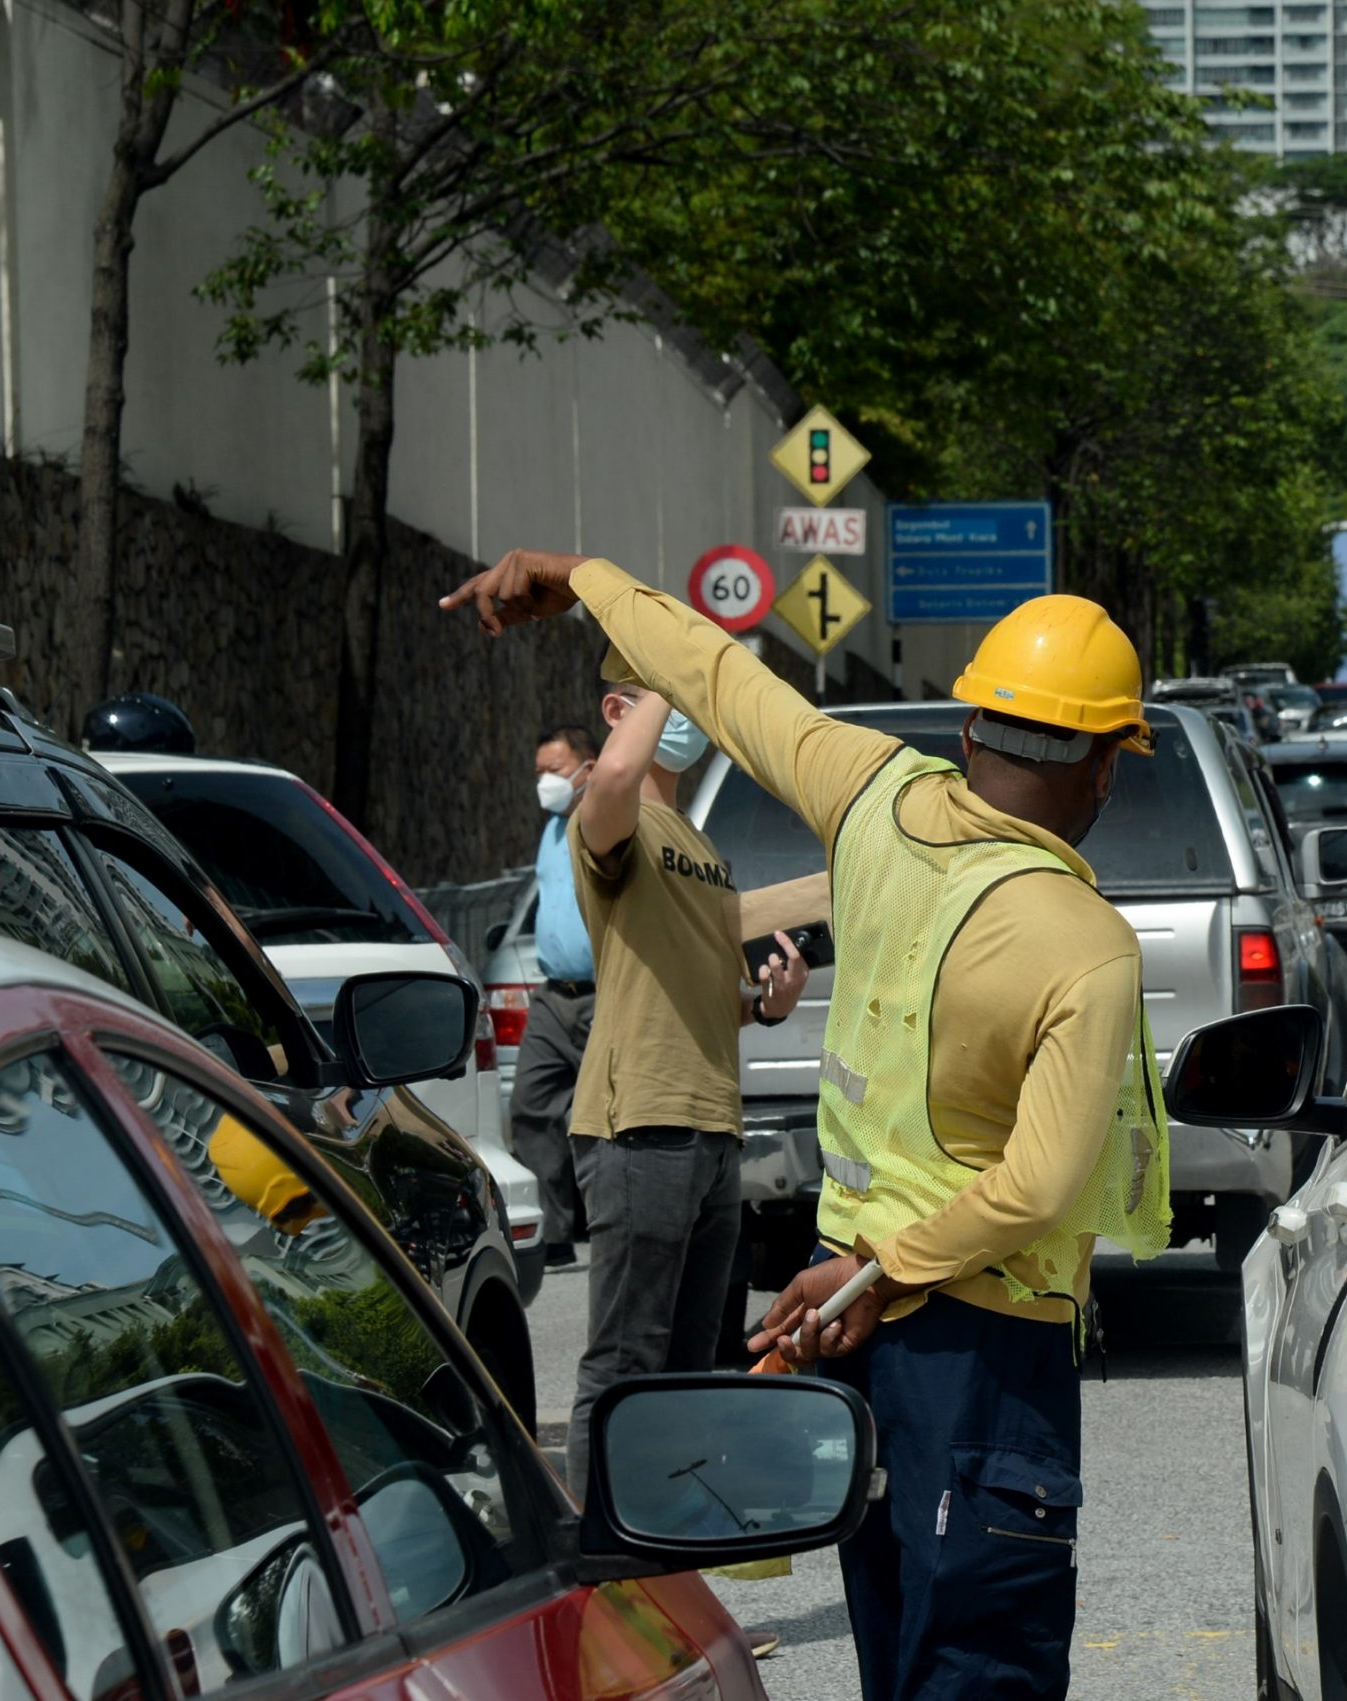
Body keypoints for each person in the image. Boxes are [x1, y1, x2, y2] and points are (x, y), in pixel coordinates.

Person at [442, 550, 1170, 1701]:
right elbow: (1035, 1187)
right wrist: (885, 1272)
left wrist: (582, 577)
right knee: (981, 1665)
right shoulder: (1083, 943)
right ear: (1102, 772)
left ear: (971, 727)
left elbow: (721, 678)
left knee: (892, 1650)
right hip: (982, 1354)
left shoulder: (871, 793)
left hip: (849, 1335)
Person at [561, 664, 808, 1491]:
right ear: (618, 709)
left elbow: (697, 990)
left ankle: (670, 1570)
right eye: (664, 697)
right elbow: (621, 770)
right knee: (627, 1361)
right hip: (642, 1119)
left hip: (711, 1124)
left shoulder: (698, 843)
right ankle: (603, 1569)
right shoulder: (609, 808)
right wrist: (667, 663)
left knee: (694, 1363)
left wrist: (765, 1005)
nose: (686, 716)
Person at [510, 723, 601, 1269]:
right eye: (540, 771)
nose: (545, 782)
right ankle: (557, 1235)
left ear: (588, 769)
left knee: (602, 1118)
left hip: (604, 994)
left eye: (556, 770)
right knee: (531, 1106)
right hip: (552, 998)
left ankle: (606, 1220)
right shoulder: (550, 830)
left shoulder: (606, 821)